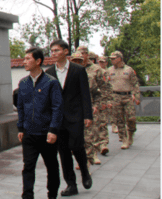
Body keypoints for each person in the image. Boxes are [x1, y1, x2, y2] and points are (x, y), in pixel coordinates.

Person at [45, 40, 93, 197]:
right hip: (58, 119)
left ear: (66, 51)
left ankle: (85, 172)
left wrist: (88, 115)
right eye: (52, 51)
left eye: (57, 50)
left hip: (76, 116)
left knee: (77, 146)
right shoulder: (49, 72)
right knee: (63, 152)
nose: (54, 53)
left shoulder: (78, 70)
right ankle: (71, 184)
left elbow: (85, 94)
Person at [17, 48, 63, 199]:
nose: (24, 62)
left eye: (28, 59)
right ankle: (27, 195)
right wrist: (21, 127)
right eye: (24, 59)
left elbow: (57, 108)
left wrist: (54, 130)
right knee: (28, 166)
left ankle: (52, 194)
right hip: (29, 134)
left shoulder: (51, 83)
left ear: (38, 61)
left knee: (52, 166)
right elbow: (21, 107)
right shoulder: (23, 83)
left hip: (47, 133)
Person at [76, 48, 111, 165]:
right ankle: (82, 157)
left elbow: (104, 87)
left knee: (93, 131)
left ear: (86, 55)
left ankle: (93, 154)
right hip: (76, 106)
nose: (79, 57)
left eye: (82, 54)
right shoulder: (72, 69)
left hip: (92, 104)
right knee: (80, 134)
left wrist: (103, 102)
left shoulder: (96, 69)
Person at [107, 50, 140, 149]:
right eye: (111, 59)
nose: (112, 60)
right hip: (115, 97)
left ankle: (130, 134)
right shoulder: (109, 70)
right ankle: (124, 139)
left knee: (131, 118)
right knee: (119, 120)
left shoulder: (129, 70)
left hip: (127, 96)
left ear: (120, 58)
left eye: (114, 58)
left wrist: (137, 96)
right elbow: (106, 86)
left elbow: (135, 84)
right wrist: (108, 100)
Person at [90, 52, 112, 156]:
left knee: (102, 123)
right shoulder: (78, 69)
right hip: (87, 102)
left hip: (99, 100)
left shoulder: (99, 71)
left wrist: (106, 101)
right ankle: (92, 147)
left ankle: (103, 144)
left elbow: (105, 87)